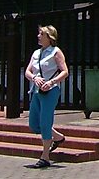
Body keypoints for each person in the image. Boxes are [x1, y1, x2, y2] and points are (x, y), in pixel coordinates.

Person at [24, 25, 69, 168]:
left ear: (49, 37)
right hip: (37, 91)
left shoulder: (56, 52)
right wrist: (34, 78)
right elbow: (28, 71)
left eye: (41, 34)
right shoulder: (36, 53)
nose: (38, 36)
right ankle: (58, 137)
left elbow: (65, 71)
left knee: (45, 122)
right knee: (34, 124)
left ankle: (45, 157)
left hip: (50, 91)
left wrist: (51, 82)